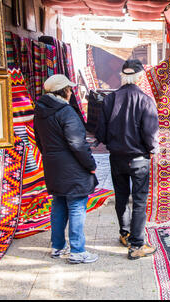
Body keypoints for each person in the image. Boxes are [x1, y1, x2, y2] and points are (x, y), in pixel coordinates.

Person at [95, 59, 159, 260]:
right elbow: (151, 133)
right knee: (139, 200)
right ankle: (137, 245)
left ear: (124, 76)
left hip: (116, 157)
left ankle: (125, 234)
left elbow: (100, 133)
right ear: (140, 77)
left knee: (122, 196)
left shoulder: (109, 100)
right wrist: (153, 150)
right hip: (138, 158)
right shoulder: (146, 100)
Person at [34, 74, 99, 264]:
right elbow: (77, 144)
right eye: (69, 89)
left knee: (59, 204)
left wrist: (52, 157)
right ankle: (77, 250)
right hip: (72, 167)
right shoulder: (66, 112)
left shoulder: (40, 110)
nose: (71, 91)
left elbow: (39, 140)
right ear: (64, 91)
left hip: (53, 165)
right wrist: (90, 165)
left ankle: (57, 247)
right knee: (77, 205)